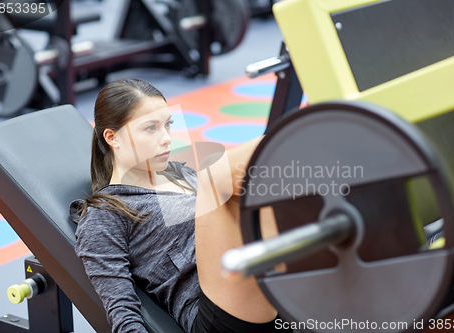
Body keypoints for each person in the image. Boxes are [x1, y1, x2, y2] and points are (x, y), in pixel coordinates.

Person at [70, 78, 291, 333]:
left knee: (256, 186)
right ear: (113, 137)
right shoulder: (105, 213)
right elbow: (121, 309)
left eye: (168, 125)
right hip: (214, 316)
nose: (166, 139)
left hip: (270, 288)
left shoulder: (181, 174)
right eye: (151, 128)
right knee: (218, 170)